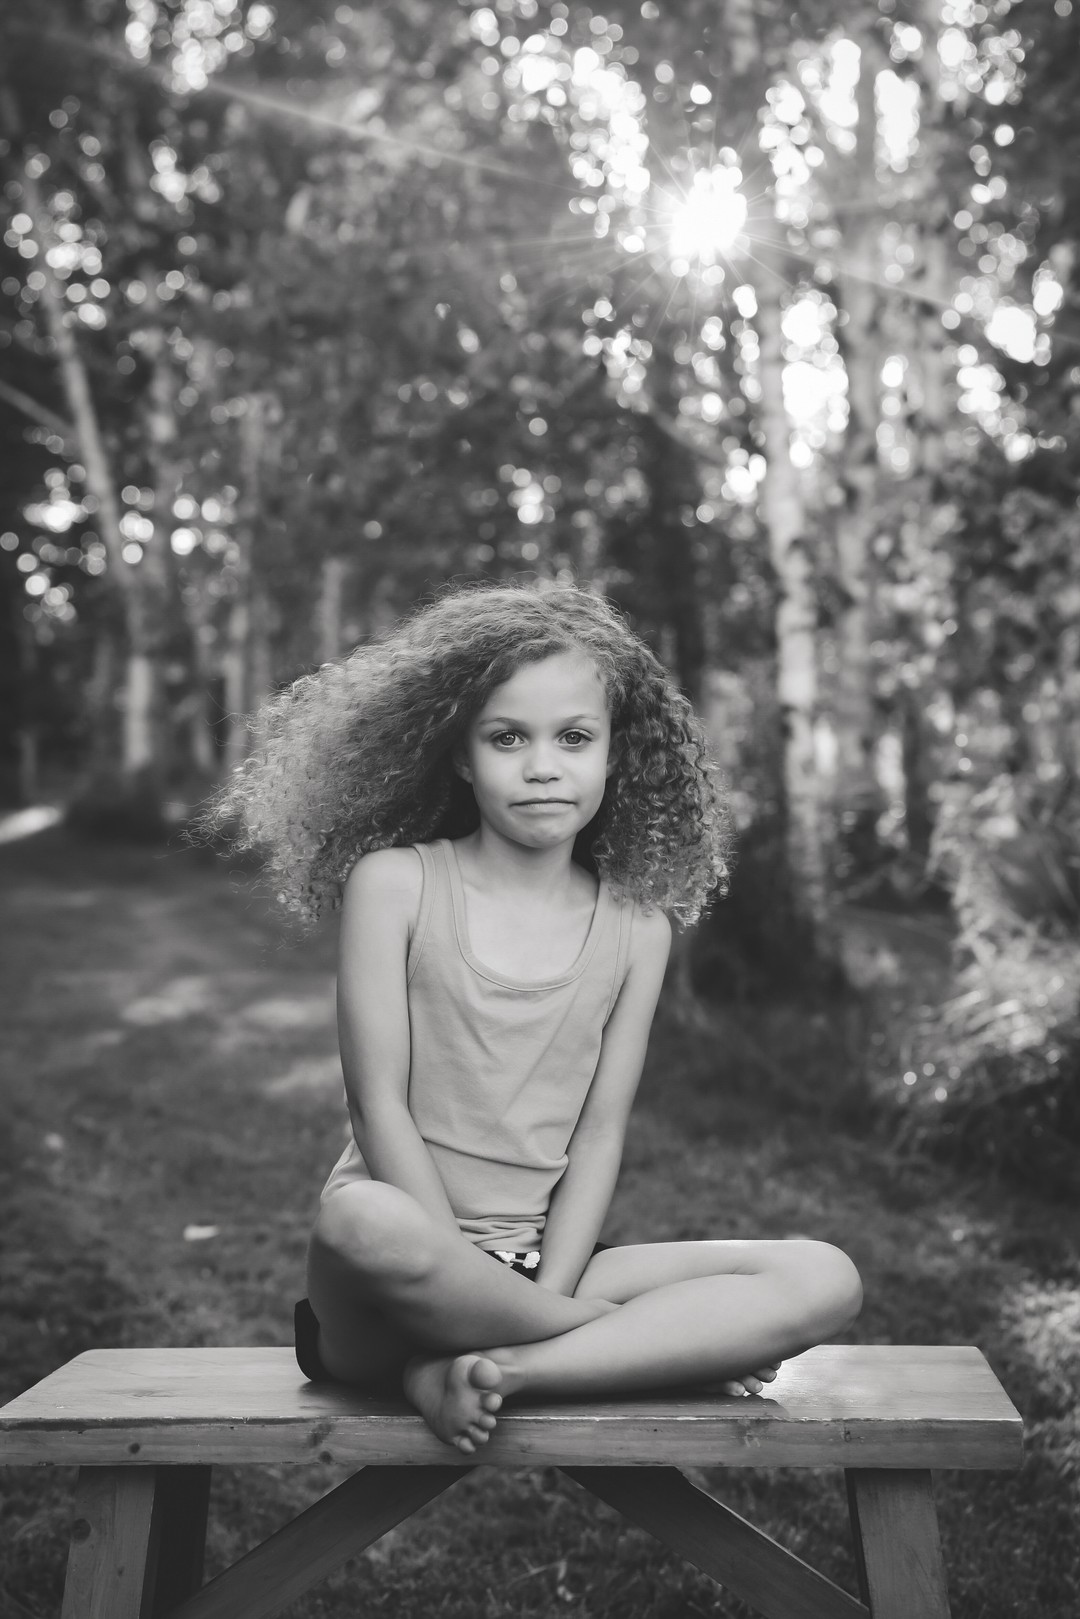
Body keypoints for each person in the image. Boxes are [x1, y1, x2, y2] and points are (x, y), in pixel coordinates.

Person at [210, 583, 862, 1454]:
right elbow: (377, 1105)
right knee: (358, 1220)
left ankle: (500, 1365)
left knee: (824, 1274)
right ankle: (626, 1348)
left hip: (544, 1265)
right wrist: (480, 1277)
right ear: (460, 756)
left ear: (615, 755)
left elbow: (599, 1133)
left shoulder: (637, 928)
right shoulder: (395, 885)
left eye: (574, 738)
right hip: (394, 1274)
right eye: (508, 737)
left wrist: (546, 1285)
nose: (543, 765)